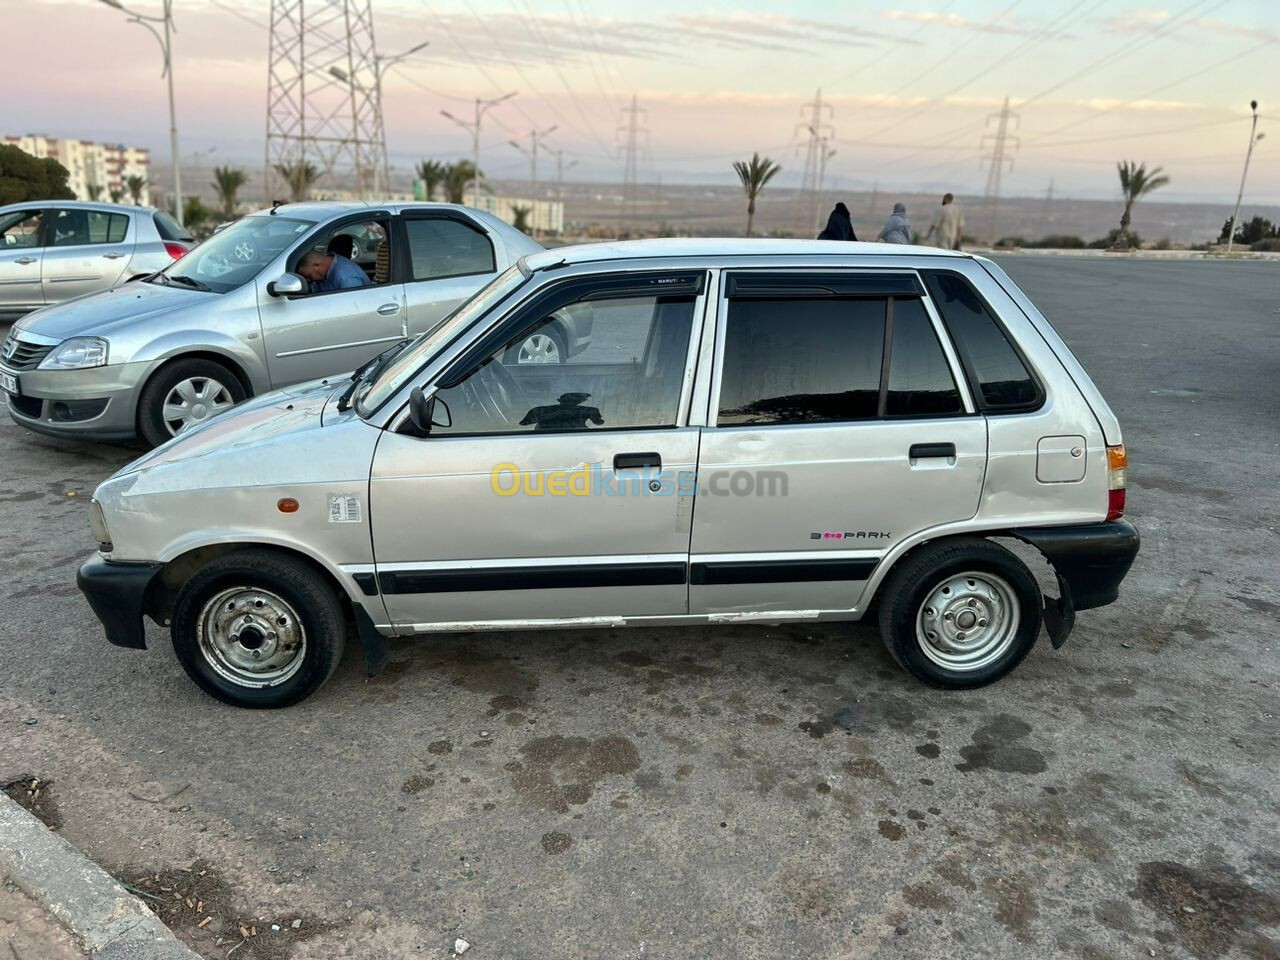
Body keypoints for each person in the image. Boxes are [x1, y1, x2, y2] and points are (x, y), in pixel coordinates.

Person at [297, 248, 371, 292]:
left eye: (308, 276)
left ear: (316, 266)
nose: (308, 280)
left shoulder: (346, 278)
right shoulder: (323, 273)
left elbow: (352, 308)